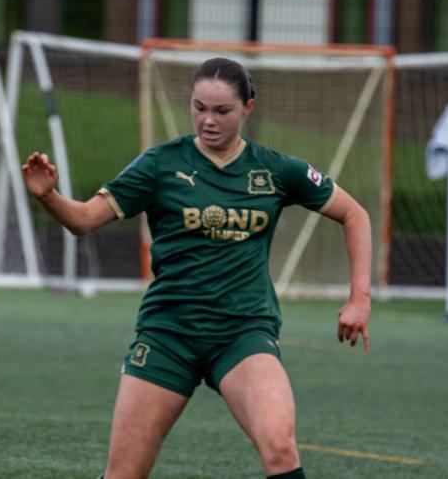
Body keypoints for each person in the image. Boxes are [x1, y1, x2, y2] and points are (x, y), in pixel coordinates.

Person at [21, 57, 372, 479]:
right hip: (169, 335)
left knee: (280, 446)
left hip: (243, 334)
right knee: (124, 473)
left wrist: (359, 299)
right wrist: (48, 196)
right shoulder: (159, 165)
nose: (208, 120)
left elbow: (356, 215)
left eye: (221, 110)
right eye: (199, 107)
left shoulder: (276, 170)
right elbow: (82, 220)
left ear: (248, 108)